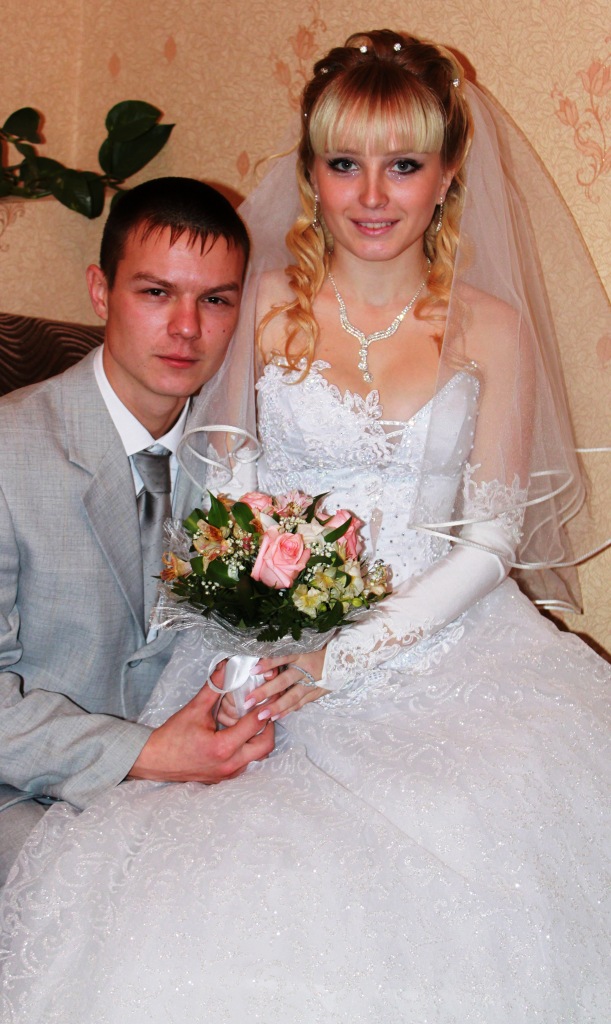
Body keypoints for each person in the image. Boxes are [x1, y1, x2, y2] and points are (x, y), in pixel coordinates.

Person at [1, 31, 609, 1024]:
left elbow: (491, 541)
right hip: (269, 636)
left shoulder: (491, 328)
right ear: (310, 174)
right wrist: (265, 634)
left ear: (448, 174)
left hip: (445, 647)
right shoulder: (260, 303)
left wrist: (347, 657)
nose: (370, 195)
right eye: (342, 163)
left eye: (402, 165)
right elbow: (230, 491)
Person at [0, 176, 274, 888]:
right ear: (101, 292)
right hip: (22, 796)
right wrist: (145, 754)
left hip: (195, 798)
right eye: (156, 292)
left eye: (215, 300)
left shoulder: (244, 460)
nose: (187, 328)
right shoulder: (8, 451)